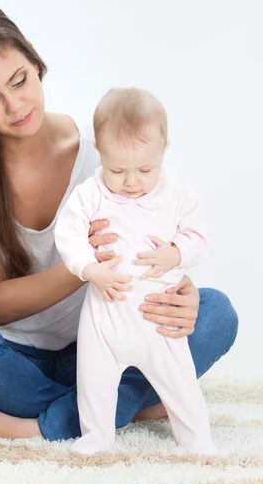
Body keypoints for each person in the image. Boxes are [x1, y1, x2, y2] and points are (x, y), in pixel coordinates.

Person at [0, 5, 238, 448]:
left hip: (114, 339)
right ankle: (127, 406)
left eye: (20, 81)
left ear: (36, 64)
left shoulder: (105, 154)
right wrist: (84, 266)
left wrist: (180, 292)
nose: (15, 105)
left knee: (217, 314)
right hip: (22, 358)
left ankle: (47, 423)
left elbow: (158, 239)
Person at [55, 87, 216, 455]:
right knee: (93, 378)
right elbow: (69, 233)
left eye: (145, 169)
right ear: (100, 151)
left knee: (181, 382)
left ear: (164, 149)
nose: (131, 181)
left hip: (158, 317)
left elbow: (198, 238)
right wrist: (90, 269)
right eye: (117, 169)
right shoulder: (91, 192)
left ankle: (196, 439)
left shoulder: (178, 194)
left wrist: (175, 254)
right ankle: (97, 435)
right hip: (105, 315)